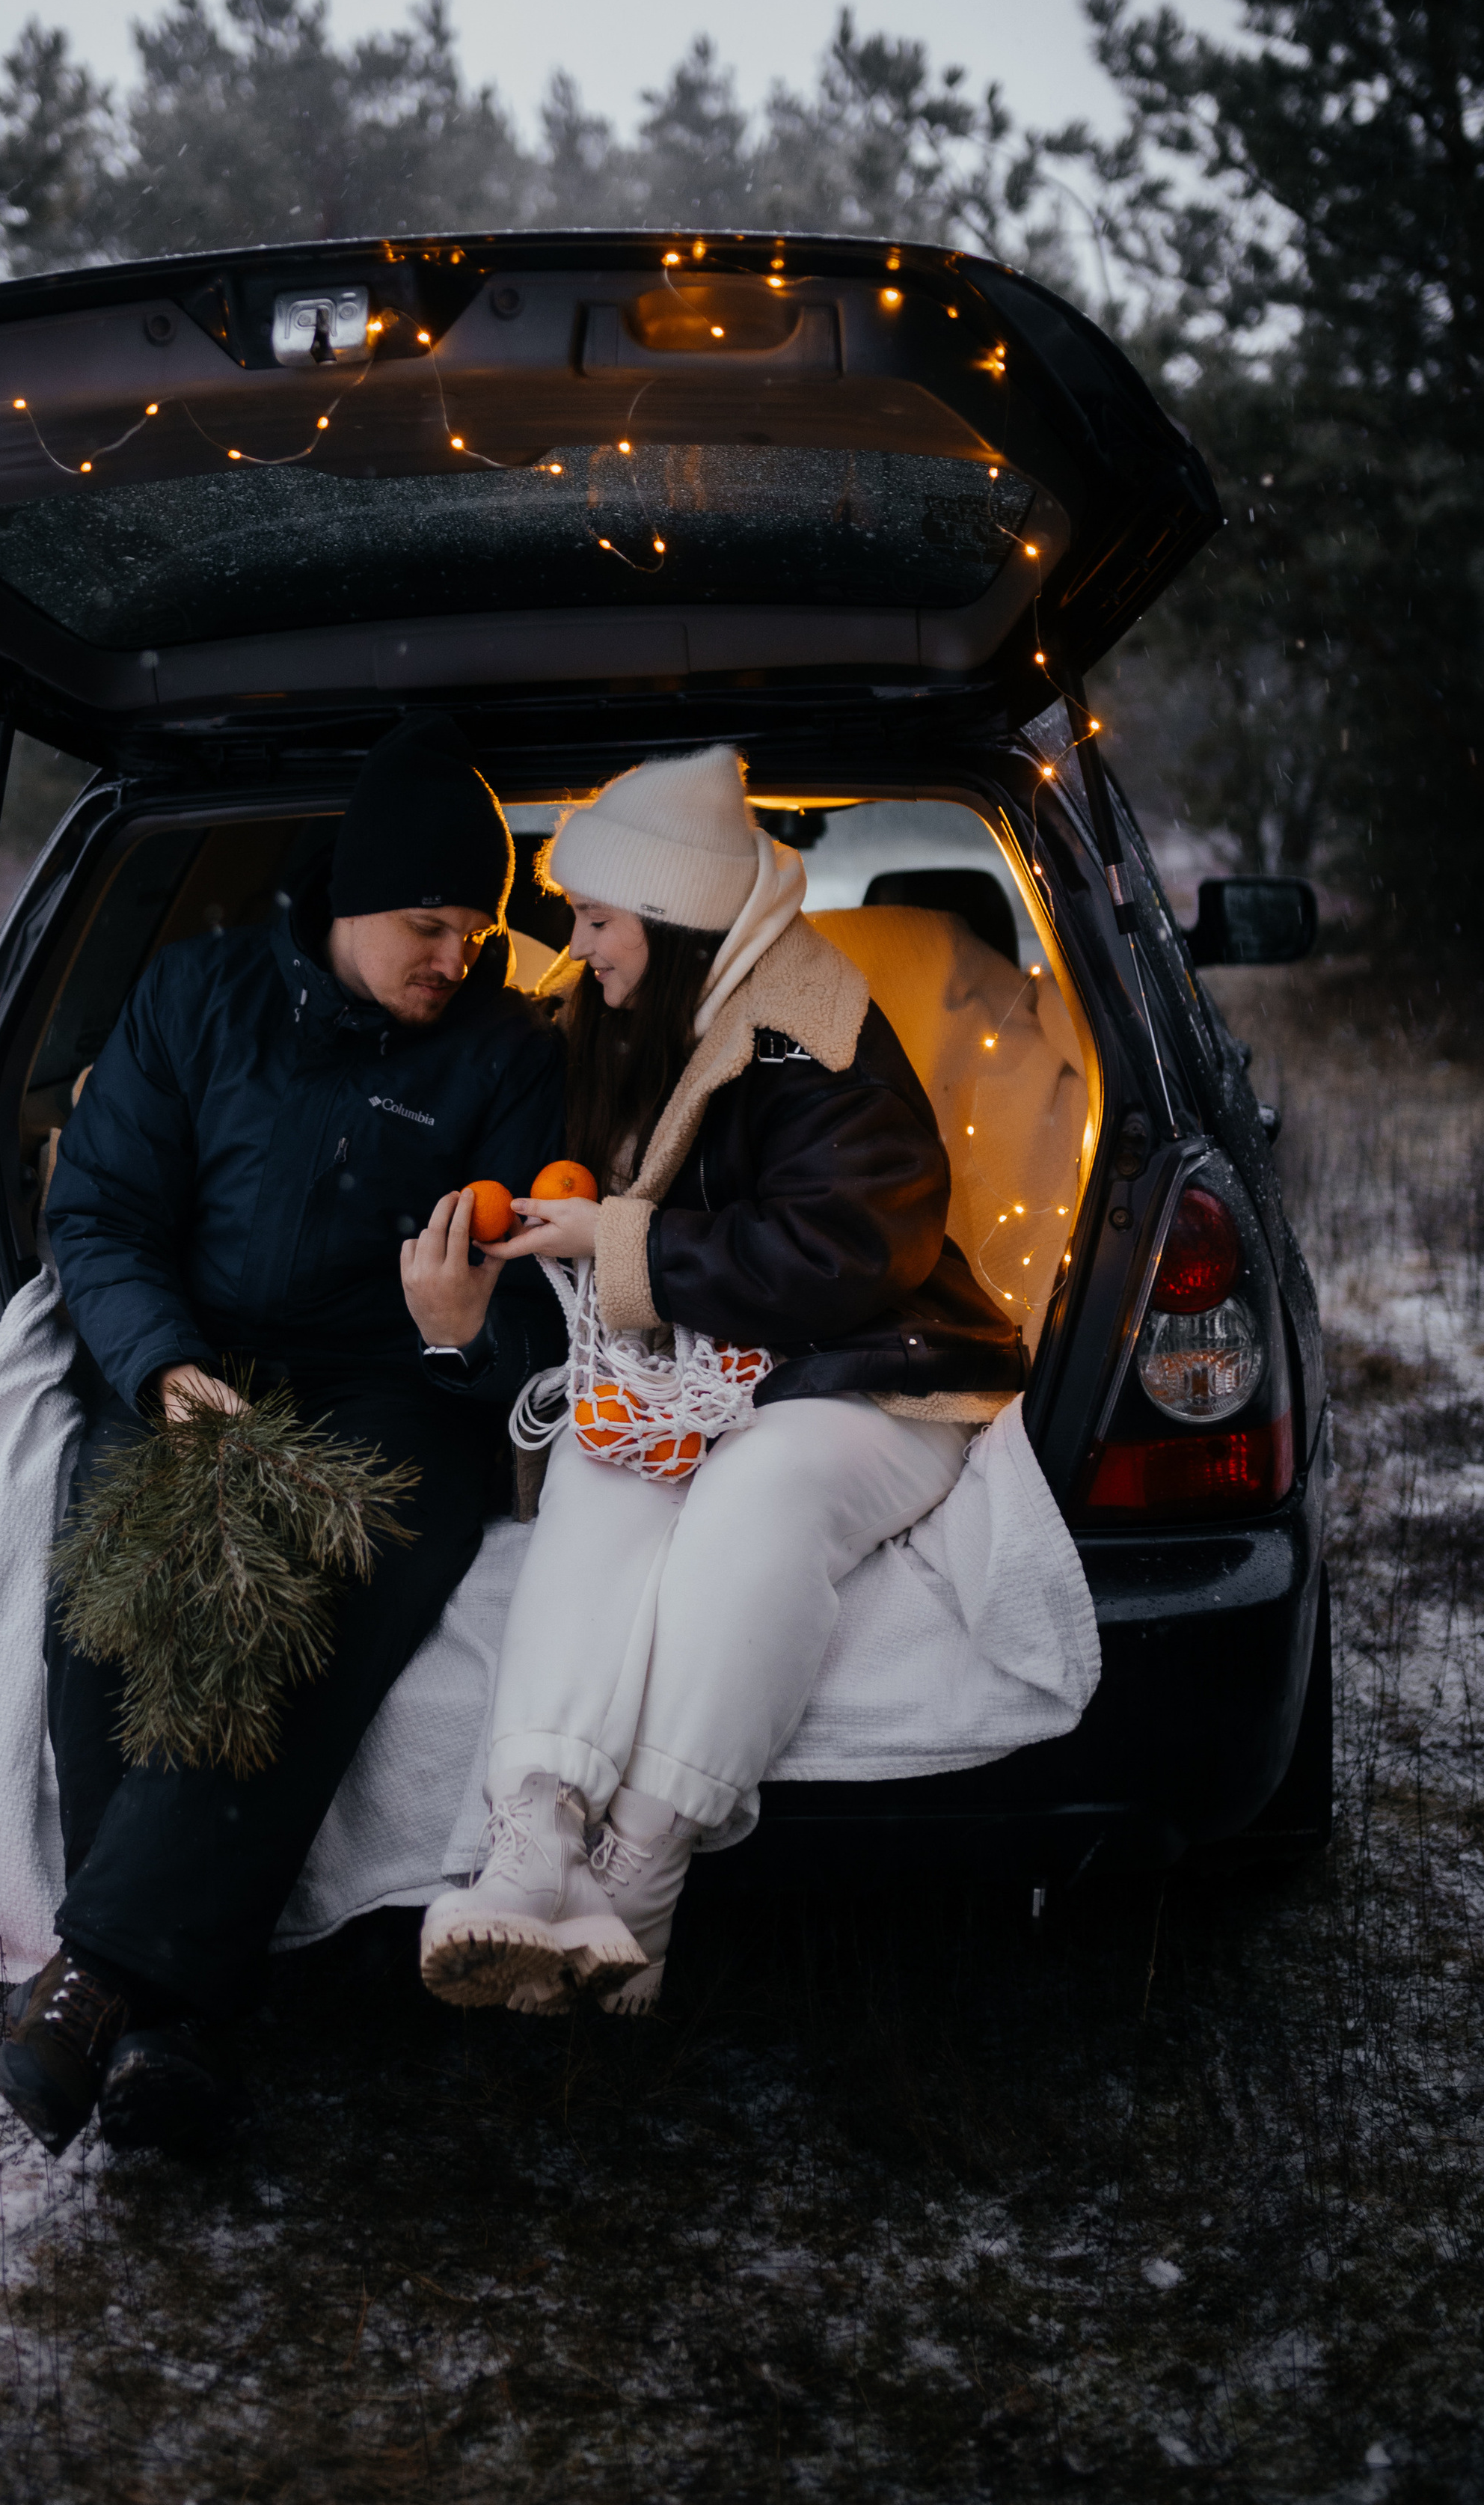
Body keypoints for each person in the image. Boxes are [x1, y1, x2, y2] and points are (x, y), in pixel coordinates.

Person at [0, 714, 565, 2157]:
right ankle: (174, 2030)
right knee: (119, 1599)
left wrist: (454, 1332)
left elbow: (545, 1323)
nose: (460, 957)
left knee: (305, 1602)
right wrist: (167, 1370)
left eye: (480, 930)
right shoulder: (198, 997)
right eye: (432, 926)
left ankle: (93, 1984)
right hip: (203, 1368)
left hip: (397, 1397)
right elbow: (102, 1213)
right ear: (358, 902)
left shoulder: (506, 1058)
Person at [418, 743, 1024, 2016]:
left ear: (680, 919)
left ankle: (641, 1871)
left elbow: (852, 1249)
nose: (575, 947)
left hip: (867, 1375)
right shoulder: (604, 1018)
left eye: (595, 919)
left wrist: (620, 1243)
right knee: (599, 1462)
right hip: (694, 1370)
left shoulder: (818, 1030)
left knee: (757, 1498)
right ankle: (534, 1840)